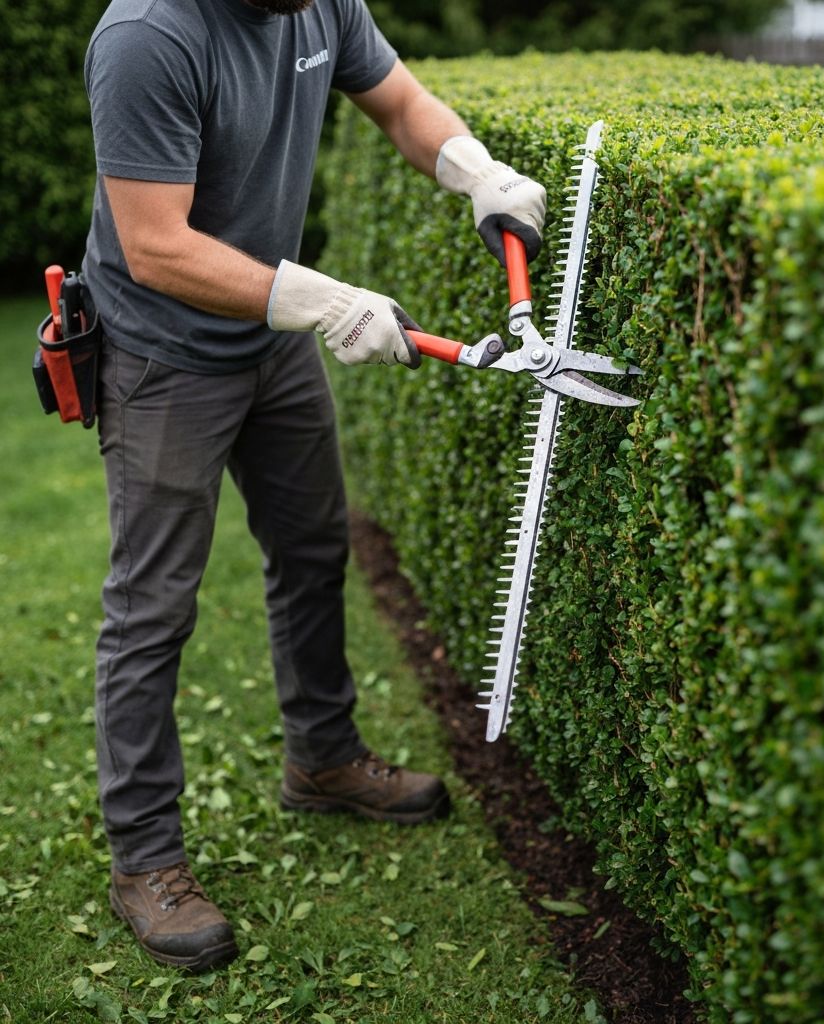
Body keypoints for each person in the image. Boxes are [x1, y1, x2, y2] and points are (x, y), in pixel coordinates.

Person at [82, 0, 546, 972]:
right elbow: (154, 245)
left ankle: (323, 759)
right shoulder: (148, 37)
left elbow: (400, 101)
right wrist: (324, 299)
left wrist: (476, 172)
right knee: (153, 606)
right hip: (162, 357)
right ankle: (146, 858)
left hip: (271, 345)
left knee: (311, 547)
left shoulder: (320, 2)